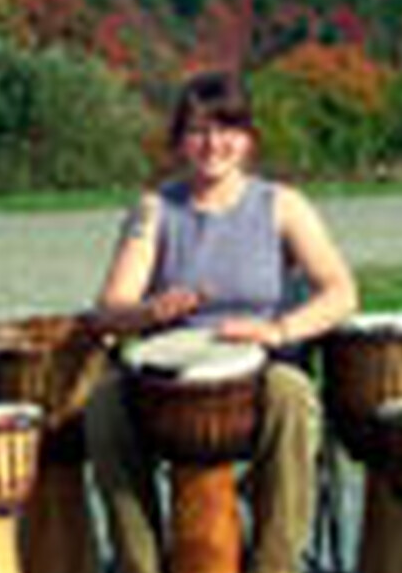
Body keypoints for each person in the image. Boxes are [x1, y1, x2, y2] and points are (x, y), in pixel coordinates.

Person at [85, 70, 358, 573]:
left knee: (293, 396)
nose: (213, 144)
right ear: (179, 141)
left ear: (248, 138)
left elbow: (341, 293)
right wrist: (149, 311)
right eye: (198, 130)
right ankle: (138, 562)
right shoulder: (154, 210)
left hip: (259, 373)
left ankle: (276, 563)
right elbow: (109, 308)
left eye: (227, 128)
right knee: (105, 405)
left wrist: (278, 331)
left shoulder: (282, 205)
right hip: (166, 384)